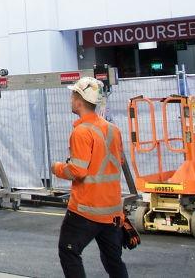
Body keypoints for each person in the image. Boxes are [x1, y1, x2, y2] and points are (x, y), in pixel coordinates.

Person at [52, 77, 128, 278]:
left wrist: (58, 168)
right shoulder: (113, 130)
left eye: (72, 95)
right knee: (113, 259)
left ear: (78, 100)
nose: (70, 99)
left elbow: (78, 171)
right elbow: (118, 162)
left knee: (68, 251)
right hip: (112, 211)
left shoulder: (81, 132)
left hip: (86, 210)